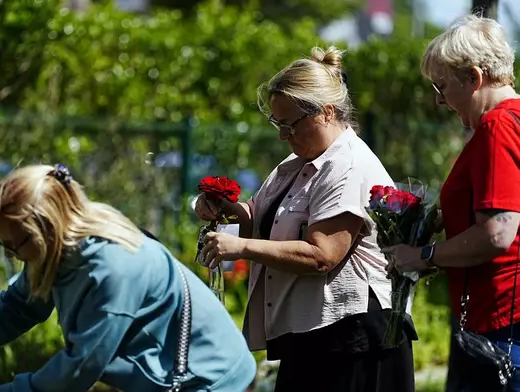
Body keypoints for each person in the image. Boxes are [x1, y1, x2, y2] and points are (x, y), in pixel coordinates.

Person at [194, 46, 416, 392]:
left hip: (355, 339)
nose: (283, 135)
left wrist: (240, 246)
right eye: (277, 124)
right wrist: (222, 208)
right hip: (317, 338)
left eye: (290, 124)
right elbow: (258, 218)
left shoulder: (347, 164)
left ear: (326, 112)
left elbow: (322, 255)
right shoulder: (297, 163)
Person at [0, 164, 256, 392]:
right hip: (163, 376)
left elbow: (79, 368)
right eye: (2, 245)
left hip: (208, 379)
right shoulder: (61, 249)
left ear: (49, 229)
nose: (9, 255)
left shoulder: (111, 269)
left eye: (14, 245)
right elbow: (21, 303)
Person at [382, 15, 520, 392]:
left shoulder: (498, 127)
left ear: (474, 78)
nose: (440, 101)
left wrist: (421, 254)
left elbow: (497, 233)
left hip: (499, 326)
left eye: (443, 87)